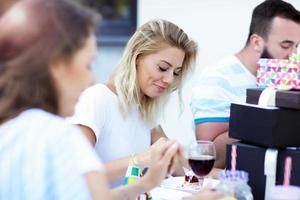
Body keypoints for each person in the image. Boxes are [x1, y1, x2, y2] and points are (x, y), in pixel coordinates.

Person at [0, 0, 183, 199]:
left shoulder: (16, 132)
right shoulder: (57, 136)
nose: (92, 79)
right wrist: (138, 161)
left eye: (176, 72)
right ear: (57, 66)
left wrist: (145, 184)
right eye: (87, 65)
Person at [69, 18, 198, 187]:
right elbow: (73, 174)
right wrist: (139, 160)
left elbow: (182, 168)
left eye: (176, 72)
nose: (169, 79)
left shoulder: (145, 109)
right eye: (163, 68)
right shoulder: (97, 99)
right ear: (138, 57)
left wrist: (228, 175)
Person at [190, 0, 300, 168]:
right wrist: (273, 119)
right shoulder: (217, 78)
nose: (292, 55)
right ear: (256, 42)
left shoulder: (287, 80)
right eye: (285, 45)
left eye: (296, 46)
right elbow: (211, 156)